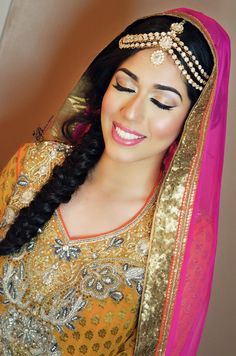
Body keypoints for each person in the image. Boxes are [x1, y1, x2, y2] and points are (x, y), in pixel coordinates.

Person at [0, 7, 230, 356]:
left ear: (191, 123)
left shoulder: (180, 239)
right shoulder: (31, 167)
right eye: (124, 86)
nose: (131, 113)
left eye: (162, 102)